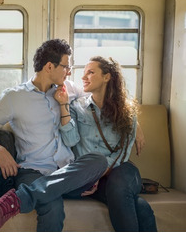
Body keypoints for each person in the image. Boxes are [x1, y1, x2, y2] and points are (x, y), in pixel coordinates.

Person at [0, 39, 108, 231]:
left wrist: (134, 124)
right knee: (53, 208)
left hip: (66, 171)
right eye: (65, 67)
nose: (69, 72)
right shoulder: (14, 97)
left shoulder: (69, 89)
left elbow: (101, 96)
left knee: (98, 161)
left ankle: (17, 200)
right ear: (49, 66)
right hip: (32, 171)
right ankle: (31, 194)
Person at [54, 56, 157, 231]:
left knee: (118, 186)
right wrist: (63, 106)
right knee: (139, 206)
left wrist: (98, 174)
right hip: (91, 175)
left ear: (107, 77)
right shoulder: (77, 107)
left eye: (91, 72)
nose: (84, 77)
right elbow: (71, 140)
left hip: (121, 169)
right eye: (84, 73)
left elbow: (122, 154)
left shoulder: (127, 111)